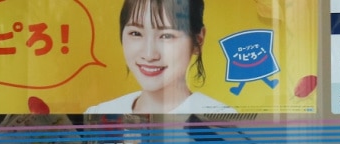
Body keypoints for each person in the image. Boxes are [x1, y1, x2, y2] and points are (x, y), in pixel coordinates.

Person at [86, 0, 235, 116]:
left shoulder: (223, 123)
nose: (149, 55)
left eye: (166, 36)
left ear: (198, 40)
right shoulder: (99, 115)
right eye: (136, 33)